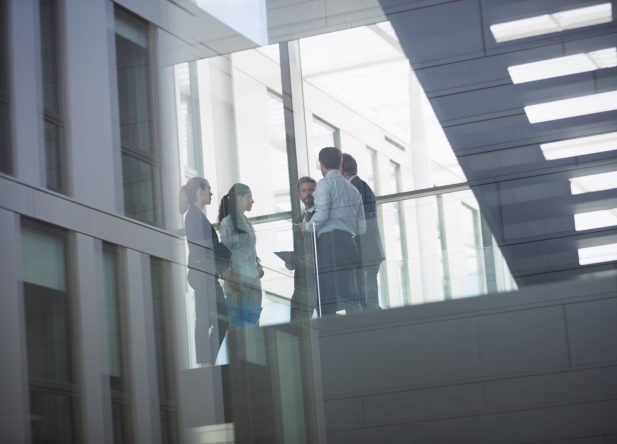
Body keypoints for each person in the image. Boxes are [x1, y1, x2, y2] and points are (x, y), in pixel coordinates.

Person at [303, 147, 365, 315]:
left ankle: (331, 337)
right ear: (340, 164)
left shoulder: (324, 185)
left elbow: (322, 214)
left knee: (327, 298)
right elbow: (362, 227)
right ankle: (358, 335)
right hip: (350, 244)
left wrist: (307, 226)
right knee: (350, 295)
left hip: (330, 244)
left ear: (321, 164)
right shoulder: (353, 190)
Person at [179, 177, 230, 366]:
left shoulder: (196, 215)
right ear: (200, 191)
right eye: (208, 189)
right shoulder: (193, 216)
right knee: (210, 317)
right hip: (203, 272)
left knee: (215, 316)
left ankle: (206, 360)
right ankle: (206, 361)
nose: (211, 193)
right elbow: (203, 247)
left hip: (204, 272)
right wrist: (224, 256)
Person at [341, 154, 385, 310]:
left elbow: (358, 221)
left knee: (368, 301)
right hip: (366, 251)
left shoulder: (356, 188)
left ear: (341, 169)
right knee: (366, 298)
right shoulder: (360, 186)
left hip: (365, 252)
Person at [218, 183, 263, 327]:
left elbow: (250, 249)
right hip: (238, 283)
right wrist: (233, 288)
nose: (252, 201)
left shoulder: (247, 223)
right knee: (237, 328)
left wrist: (258, 265)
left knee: (252, 325)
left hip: (253, 282)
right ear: (239, 199)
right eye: (249, 197)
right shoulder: (227, 223)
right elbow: (224, 258)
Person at [287, 176, 318, 322]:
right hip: (300, 283)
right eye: (304, 191)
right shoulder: (298, 220)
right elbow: (297, 249)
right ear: (299, 195)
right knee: (296, 326)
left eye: (311, 190)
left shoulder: (321, 216)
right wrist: (291, 261)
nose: (308, 194)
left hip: (318, 281)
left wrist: (314, 258)